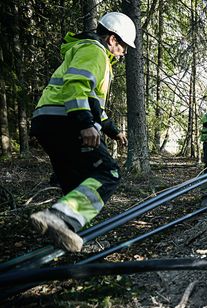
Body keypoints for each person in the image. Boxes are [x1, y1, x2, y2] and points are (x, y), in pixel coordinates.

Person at [29, 12, 136, 252]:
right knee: (109, 173)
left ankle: (64, 235)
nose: (125, 53)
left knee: (76, 184)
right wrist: (84, 123)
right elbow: (76, 86)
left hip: (48, 121)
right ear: (111, 39)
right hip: (65, 120)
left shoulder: (89, 53)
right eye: (124, 46)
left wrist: (113, 131)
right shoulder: (94, 51)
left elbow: (94, 104)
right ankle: (58, 219)